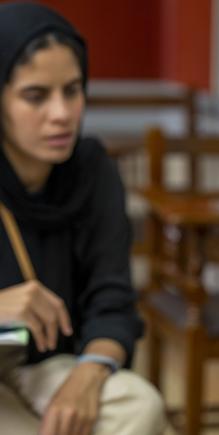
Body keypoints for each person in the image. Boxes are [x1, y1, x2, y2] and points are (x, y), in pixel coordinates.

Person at [0, 3, 165, 434]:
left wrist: (87, 376)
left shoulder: (91, 169)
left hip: (53, 365)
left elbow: (112, 301)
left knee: (141, 405)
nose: (61, 113)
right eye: (36, 96)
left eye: (72, 91)